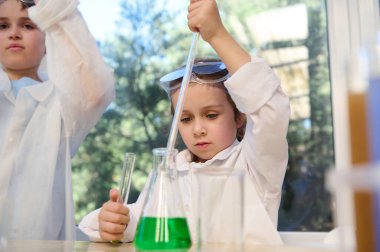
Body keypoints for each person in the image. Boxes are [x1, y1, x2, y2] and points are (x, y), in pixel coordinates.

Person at [79, 0, 289, 244]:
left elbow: (272, 110)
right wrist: (116, 223)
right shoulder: (169, 170)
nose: (198, 130)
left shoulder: (256, 163)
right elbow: (141, 221)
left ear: (240, 114)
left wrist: (217, 35)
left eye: (211, 115)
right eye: (186, 119)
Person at [0, 0, 114, 240]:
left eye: (28, 25)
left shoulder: (62, 104)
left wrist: (55, 11)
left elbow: (97, 93)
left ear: (49, 38)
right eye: (2, 26)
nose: (14, 33)